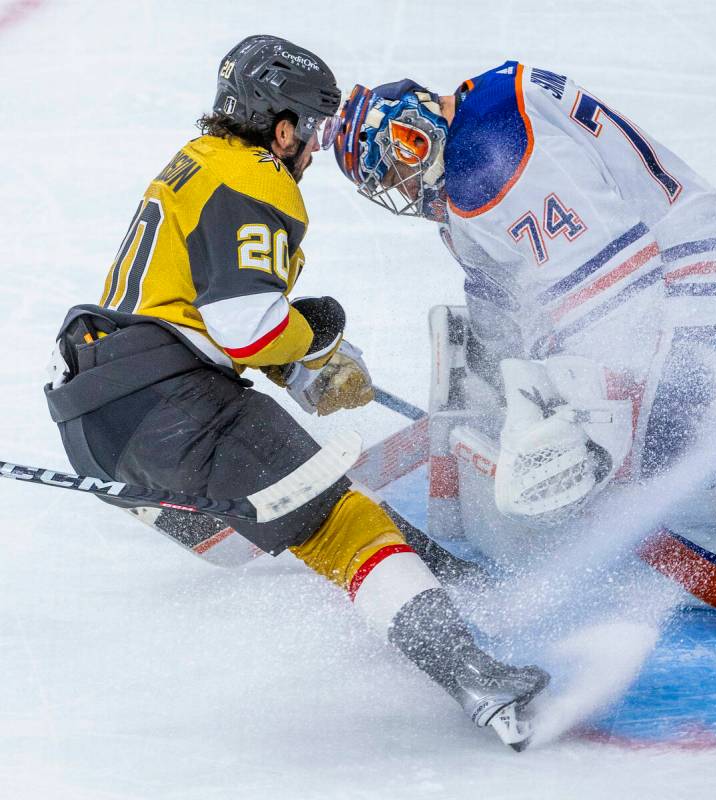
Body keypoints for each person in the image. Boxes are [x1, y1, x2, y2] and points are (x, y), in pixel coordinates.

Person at [43, 37, 548, 748]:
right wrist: (314, 334)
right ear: (279, 127)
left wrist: (301, 371)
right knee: (341, 524)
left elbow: (200, 313)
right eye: (307, 130)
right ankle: (472, 675)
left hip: (105, 417)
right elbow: (246, 329)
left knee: (312, 511)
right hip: (175, 405)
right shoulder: (256, 178)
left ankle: (432, 573)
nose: (310, 151)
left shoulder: (197, 166)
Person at [332, 63, 716, 613]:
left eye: (398, 164)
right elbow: (503, 289)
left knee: (631, 460)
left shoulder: (489, 161)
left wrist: (589, 412)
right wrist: (505, 380)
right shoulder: (484, 109)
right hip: (686, 267)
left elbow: (623, 296)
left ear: (412, 131)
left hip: (693, 293)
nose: (402, 187)